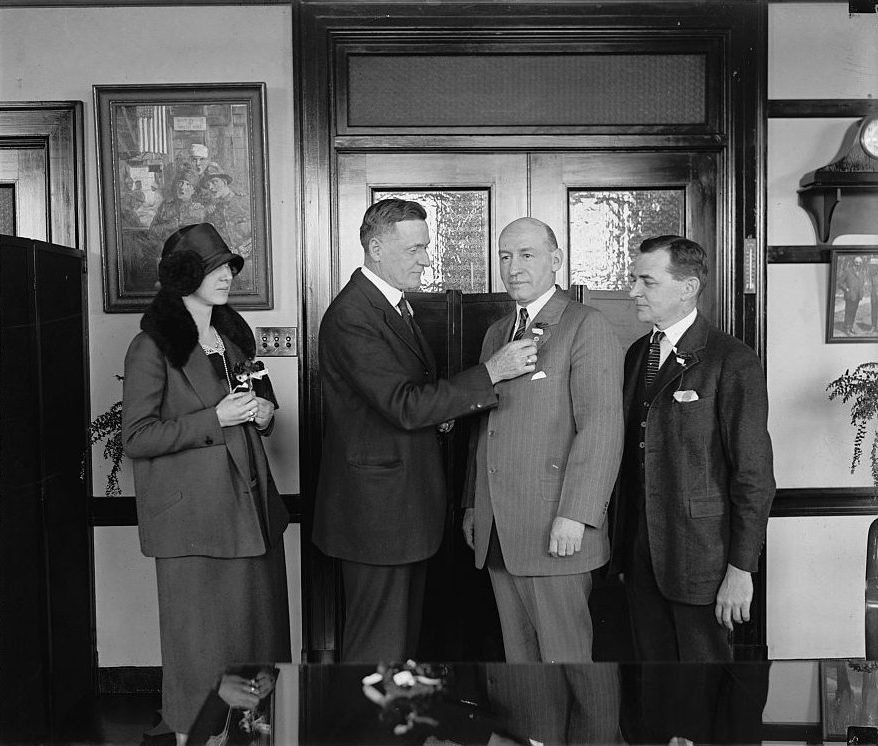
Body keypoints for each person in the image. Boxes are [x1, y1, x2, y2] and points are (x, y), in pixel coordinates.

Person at [312, 198, 538, 663]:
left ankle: (392, 731)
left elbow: (398, 399)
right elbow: (403, 405)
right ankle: (370, 733)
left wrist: (441, 410)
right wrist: (490, 372)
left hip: (397, 510)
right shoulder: (353, 315)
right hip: (377, 516)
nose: (427, 260)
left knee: (395, 645)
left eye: (426, 247)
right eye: (415, 249)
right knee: (378, 648)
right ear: (376, 248)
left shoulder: (390, 305)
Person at [122, 223, 291, 743]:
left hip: (252, 511)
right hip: (193, 522)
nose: (226, 277)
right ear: (184, 277)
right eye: (214, 268)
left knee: (258, 642)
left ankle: (251, 735)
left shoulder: (235, 336)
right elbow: (137, 437)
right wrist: (213, 418)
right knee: (200, 652)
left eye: (228, 267)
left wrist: (263, 414)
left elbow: (262, 408)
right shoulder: (150, 347)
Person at [462, 217, 624, 663]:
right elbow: (486, 427)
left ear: (556, 261)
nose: (514, 267)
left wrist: (577, 515)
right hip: (499, 530)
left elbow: (603, 429)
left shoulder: (586, 326)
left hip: (557, 531)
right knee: (523, 666)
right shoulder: (497, 333)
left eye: (527, 255)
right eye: (505, 256)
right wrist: (475, 504)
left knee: (570, 662)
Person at [609, 235, 775, 662]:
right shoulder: (636, 355)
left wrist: (741, 569)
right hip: (640, 555)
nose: (633, 292)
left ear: (687, 288)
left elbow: (753, 475)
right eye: (633, 279)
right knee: (654, 682)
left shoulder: (730, 359)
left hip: (704, 560)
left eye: (646, 281)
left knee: (703, 688)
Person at [148, 170, 207, 245]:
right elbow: (152, 231)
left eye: (188, 184)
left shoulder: (198, 209)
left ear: (193, 191)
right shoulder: (165, 207)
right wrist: (169, 226)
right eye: (180, 183)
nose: (182, 187)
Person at [839, 255, 865, 336]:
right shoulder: (848, 271)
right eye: (856, 262)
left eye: (860, 263)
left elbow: (861, 284)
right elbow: (840, 282)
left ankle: (851, 327)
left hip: (857, 296)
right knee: (848, 312)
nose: (858, 264)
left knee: (853, 312)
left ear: (861, 264)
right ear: (854, 262)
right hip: (850, 296)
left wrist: (861, 292)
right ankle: (847, 329)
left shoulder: (861, 273)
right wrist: (846, 289)